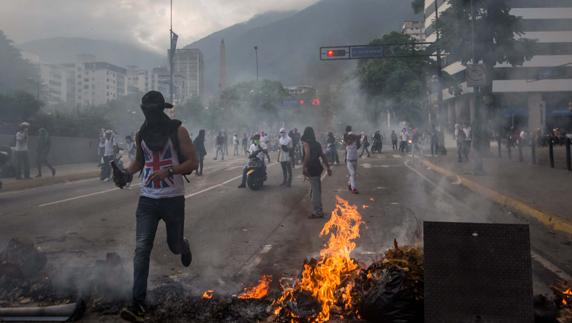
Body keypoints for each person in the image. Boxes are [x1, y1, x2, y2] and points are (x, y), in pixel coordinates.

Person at [115, 91, 197, 322]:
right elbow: (141, 161)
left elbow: (193, 161)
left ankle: (184, 245)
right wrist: (126, 173)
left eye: (152, 109)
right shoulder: (142, 134)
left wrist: (169, 171)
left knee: (174, 246)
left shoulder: (178, 131)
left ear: (160, 109)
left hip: (173, 199)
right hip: (148, 199)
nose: (149, 113)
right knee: (142, 248)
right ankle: (138, 303)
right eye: (146, 109)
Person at [301, 126, 332, 217]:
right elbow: (323, 155)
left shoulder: (306, 143)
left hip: (311, 167)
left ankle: (318, 211)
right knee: (316, 188)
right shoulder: (317, 144)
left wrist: (304, 166)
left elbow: (307, 155)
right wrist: (328, 167)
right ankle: (318, 208)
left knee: (315, 191)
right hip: (318, 167)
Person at [344, 126, 360, 194]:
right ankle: (354, 188)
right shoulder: (347, 144)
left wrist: (358, 138)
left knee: (353, 174)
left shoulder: (355, 143)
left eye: (350, 139)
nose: (349, 141)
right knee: (353, 174)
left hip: (355, 160)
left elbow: (358, 144)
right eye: (348, 139)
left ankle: (349, 184)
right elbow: (346, 136)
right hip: (349, 161)